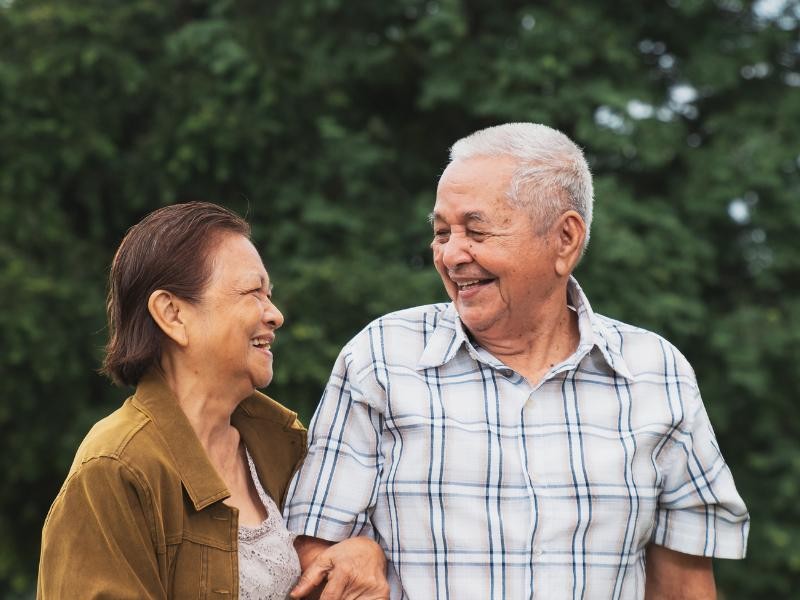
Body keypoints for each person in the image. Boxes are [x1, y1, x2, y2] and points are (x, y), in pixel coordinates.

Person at [284, 124, 750, 599]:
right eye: (442, 232)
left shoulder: (657, 373)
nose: (450, 254)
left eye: (477, 230)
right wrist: (360, 552)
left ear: (565, 239)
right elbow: (314, 554)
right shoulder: (381, 359)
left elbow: (683, 585)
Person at [37, 202, 389, 599]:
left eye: (269, 295)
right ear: (172, 314)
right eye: (253, 292)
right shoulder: (115, 469)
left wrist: (361, 552)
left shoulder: (283, 445)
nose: (275, 315)